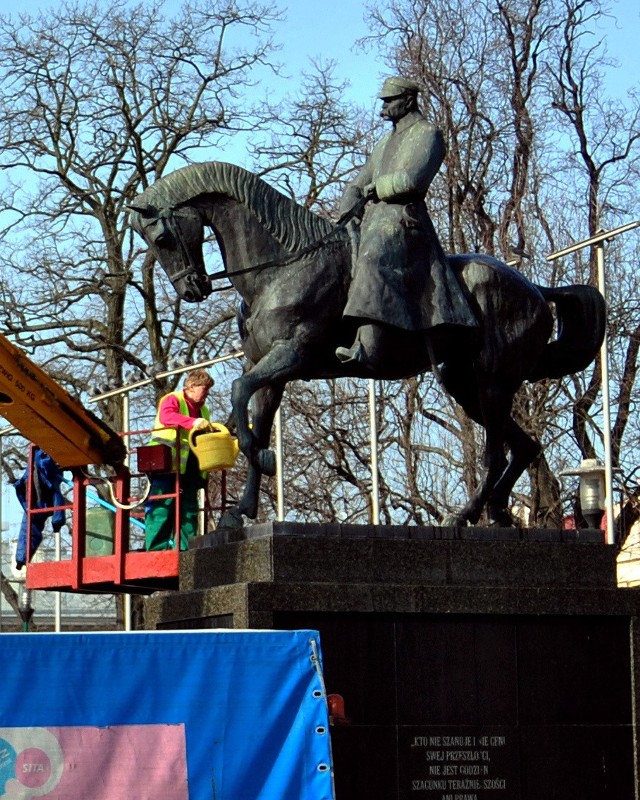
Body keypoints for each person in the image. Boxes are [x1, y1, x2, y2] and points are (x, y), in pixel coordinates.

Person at [335, 76, 477, 367]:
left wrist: (378, 187)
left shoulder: (429, 134)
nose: (383, 108)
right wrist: (345, 213)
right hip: (374, 219)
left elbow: (414, 180)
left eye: (390, 100)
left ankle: (366, 343)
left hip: (404, 222)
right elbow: (359, 181)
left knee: (372, 256)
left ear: (408, 100)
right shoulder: (384, 143)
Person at [145, 368, 214, 551]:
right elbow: (167, 416)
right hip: (167, 464)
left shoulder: (203, 410)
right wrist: (192, 422)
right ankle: (155, 550)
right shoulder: (173, 399)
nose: (207, 393)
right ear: (191, 387)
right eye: (204, 388)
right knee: (162, 507)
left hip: (191, 467)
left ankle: (186, 550)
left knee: (189, 510)